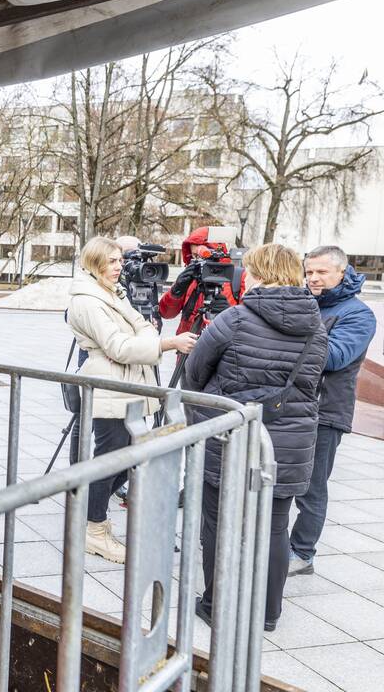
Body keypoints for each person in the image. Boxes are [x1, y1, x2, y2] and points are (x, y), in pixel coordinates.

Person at [183, 243, 327, 632]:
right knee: (275, 525)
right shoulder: (315, 325)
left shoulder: (235, 318)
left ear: (259, 273)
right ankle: (267, 613)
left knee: (217, 519)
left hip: (231, 436)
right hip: (288, 441)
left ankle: (216, 604)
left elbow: (194, 375)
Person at [67, 237, 198, 563]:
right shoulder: (88, 300)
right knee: (111, 458)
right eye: (111, 261)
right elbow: (118, 347)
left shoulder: (112, 292)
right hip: (111, 385)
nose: (119, 266)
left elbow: (143, 325)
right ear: (95, 263)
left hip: (127, 383)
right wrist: (167, 343)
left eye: (119, 260)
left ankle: (89, 515)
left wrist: (148, 337)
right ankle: (94, 529)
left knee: (129, 458)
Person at [289, 246, 377, 575]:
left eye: (321, 272)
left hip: (326, 412)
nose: (312, 278)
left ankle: (302, 552)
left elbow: (334, 357)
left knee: (312, 487)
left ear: (342, 272)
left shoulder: (358, 314)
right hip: (292, 407)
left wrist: (290, 332)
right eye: (309, 272)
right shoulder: (306, 303)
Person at [159, 226, 243, 334]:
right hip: (188, 346)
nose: (198, 260)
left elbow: (249, 325)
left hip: (220, 345)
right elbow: (166, 313)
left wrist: (229, 313)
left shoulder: (237, 278)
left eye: (202, 256)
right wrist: (176, 291)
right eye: (194, 256)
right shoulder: (191, 278)